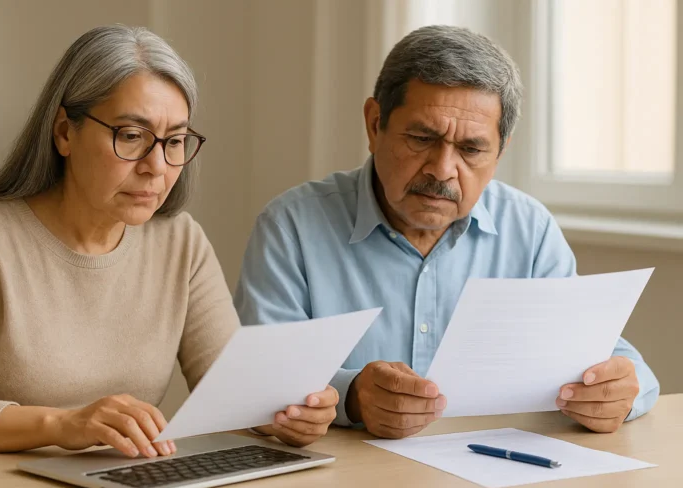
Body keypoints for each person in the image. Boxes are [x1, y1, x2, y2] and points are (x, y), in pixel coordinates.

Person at [0, 25, 336, 456]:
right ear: (64, 132)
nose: (157, 166)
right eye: (131, 136)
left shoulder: (180, 242)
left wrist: (288, 414)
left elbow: (234, 395)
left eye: (174, 141)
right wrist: (61, 424)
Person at [235, 25, 659, 439]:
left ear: (501, 152)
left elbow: (609, 359)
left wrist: (619, 390)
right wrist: (352, 398)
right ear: (374, 124)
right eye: (421, 138)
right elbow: (260, 382)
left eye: (471, 149)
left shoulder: (529, 229)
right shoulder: (291, 226)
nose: (442, 170)